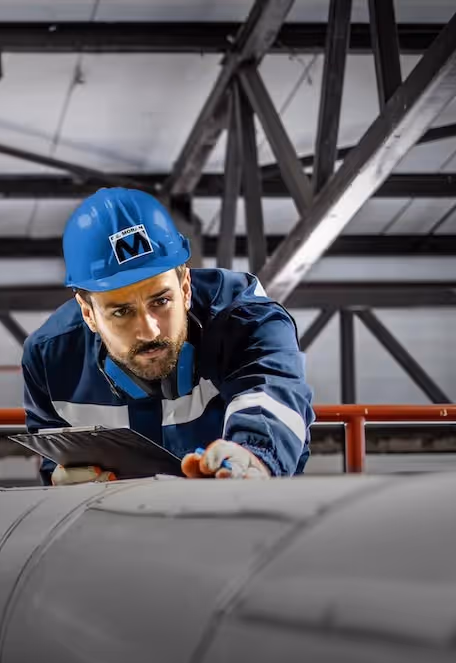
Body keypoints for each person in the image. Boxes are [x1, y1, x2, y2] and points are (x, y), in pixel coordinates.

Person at [21, 187, 315, 484]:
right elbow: (55, 459)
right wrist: (60, 483)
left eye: (160, 301)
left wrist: (253, 458)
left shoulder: (249, 323)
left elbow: (272, 397)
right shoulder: (50, 359)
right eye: (121, 312)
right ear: (87, 313)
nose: (149, 330)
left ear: (185, 287)